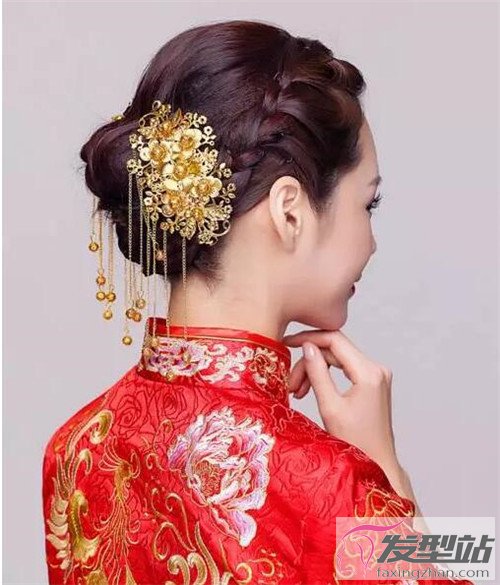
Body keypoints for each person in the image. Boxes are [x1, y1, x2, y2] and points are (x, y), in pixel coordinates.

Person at [41, 20, 474, 585]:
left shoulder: (77, 445)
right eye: (368, 205)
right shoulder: (327, 480)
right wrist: (388, 476)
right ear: (289, 210)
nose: (372, 242)